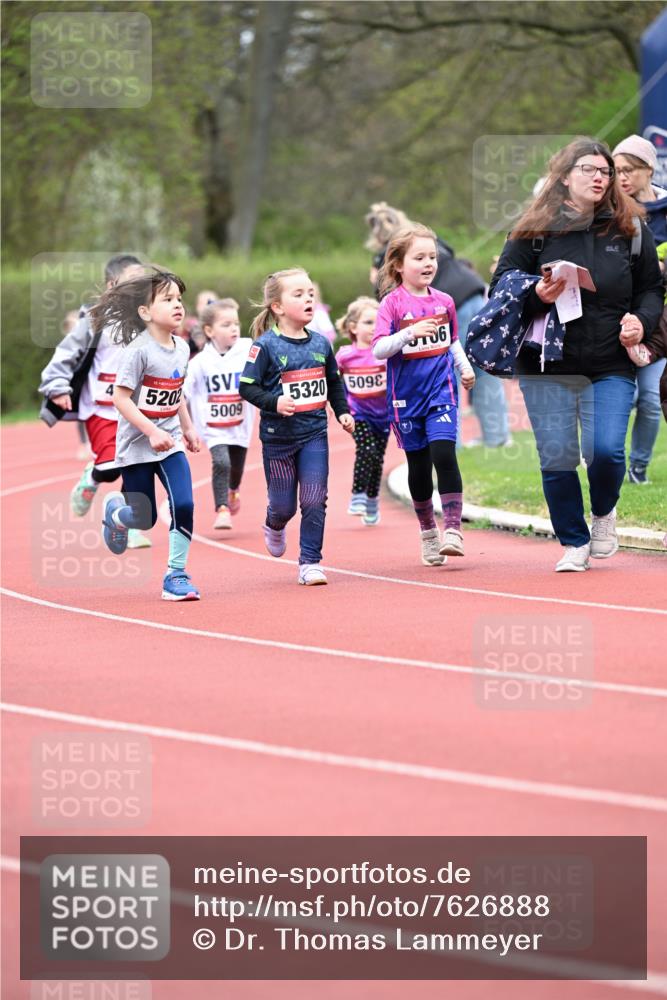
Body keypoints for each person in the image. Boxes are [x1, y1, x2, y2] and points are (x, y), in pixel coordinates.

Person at [490, 137, 663, 573]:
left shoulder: (630, 229)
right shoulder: (534, 228)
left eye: (605, 170)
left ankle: (604, 512)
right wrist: (536, 291)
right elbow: (502, 286)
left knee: (606, 451)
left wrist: (641, 321)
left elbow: (650, 289)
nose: (600, 177)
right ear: (564, 177)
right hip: (546, 364)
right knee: (557, 454)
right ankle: (573, 539)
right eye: (589, 169)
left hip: (610, 360)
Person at [89, 265, 202, 601]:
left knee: (184, 502)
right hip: (137, 446)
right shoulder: (137, 351)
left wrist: (187, 426)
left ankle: (176, 575)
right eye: (168, 299)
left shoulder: (181, 348)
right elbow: (120, 399)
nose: (178, 305)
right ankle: (117, 515)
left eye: (179, 298)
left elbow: (175, 390)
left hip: (170, 443)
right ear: (145, 311)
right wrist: (151, 431)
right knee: (145, 518)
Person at [239, 268, 354, 586]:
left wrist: (342, 411)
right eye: (299, 294)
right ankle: (274, 524)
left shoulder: (320, 343)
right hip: (278, 439)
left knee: (315, 498)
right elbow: (247, 387)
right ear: (277, 307)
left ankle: (310, 562)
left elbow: (333, 383)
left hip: (314, 434)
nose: (308, 299)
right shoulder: (265, 346)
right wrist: (274, 402)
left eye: (311, 294)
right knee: (283, 505)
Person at [365, 202, 509, 447]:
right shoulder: (430, 239)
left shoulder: (389, 253)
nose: (427, 260)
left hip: (449, 307)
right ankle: (497, 439)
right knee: (482, 368)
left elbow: (387, 294)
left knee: (446, 370)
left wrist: (375, 277)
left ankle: (451, 441)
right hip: (476, 293)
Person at [372, 223, 475, 566]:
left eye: (432, 257)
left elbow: (453, 340)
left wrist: (464, 368)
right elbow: (379, 350)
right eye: (420, 257)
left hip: (440, 391)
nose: (429, 263)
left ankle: (454, 530)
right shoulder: (392, 304)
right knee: (418, 465)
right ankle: (428, 531)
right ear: (399, 265)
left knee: (445, 454)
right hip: (405, 398)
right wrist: (409, 334)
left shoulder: (444, 301)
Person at [39, 254, 151, 549]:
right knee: (112, 467)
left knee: (137, 464)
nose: (142, 285)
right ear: (113, 285)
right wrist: (57, 386)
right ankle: (92, 476)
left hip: (137, 409)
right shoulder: (94, 319)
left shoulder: (148, 317)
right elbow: (65, 355)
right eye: (134, 280)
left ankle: (132, 521)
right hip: (101, 408)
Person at [612, 134, 667, 485]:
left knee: (649, 397)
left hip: (659, 322)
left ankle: (639, 468)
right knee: (620, 397)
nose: (622, 178)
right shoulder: (610, 213)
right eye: (616, 171)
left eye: (630, 170)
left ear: (649, 169)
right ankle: (608, 463)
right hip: (615, 319)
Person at [184, 298, 255, 530]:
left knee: (236, 468)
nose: (234, 328)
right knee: (221, 462)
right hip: (212, 426)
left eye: (235, 323)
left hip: (240, 424)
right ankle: (221, 509)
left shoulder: (248, 350)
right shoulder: (200, 362)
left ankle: (233, 490)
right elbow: (184, 389)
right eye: (226, 324)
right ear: (209, 330)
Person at [335, 296, 389, 525]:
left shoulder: (386, 352)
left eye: (378, 322)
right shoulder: (345, 356)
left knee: (377, 459)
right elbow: (333, 381)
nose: (374, 327)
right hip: (358, 414)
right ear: (353, 327)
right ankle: (357, 495)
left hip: (384, 416)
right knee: (366, 450)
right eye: (368, 322)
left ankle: (372, 500)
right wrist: (338, 407)